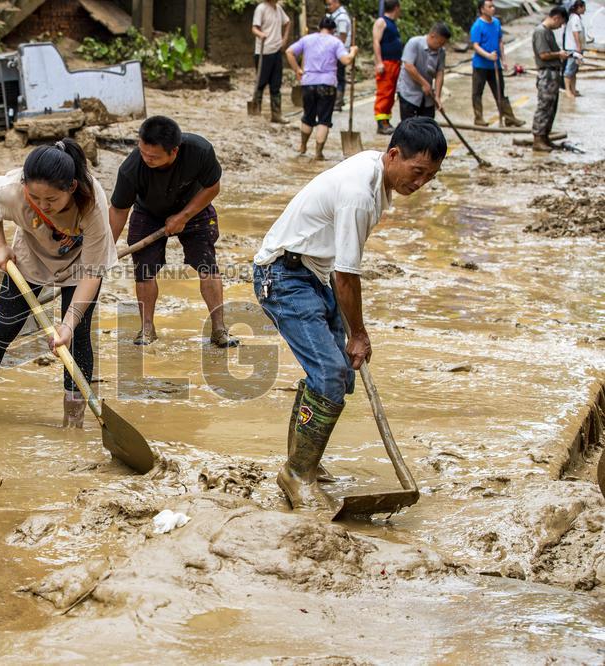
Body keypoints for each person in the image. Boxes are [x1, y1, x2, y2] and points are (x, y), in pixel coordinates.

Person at [251, 118, 446, 512]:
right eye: (418, 172)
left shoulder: (375, 177)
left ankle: (305, 461)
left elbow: (340, 267)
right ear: (393, 155)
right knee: (330, 374)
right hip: (284, 276)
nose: (421, 183)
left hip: (311, 274)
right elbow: (347, 272)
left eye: (430, 177)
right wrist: (358, 332)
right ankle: (297, 474)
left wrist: (354, 330)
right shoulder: (360, 190)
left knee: (335, 373)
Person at [0, 140, 118, 427]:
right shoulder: (11, 189)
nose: (44, 206)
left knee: (77, 338)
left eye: (52, 200)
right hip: (31, 254)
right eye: (36, 198)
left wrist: (66, 325)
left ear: (70, 188)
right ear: (24, 185)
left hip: (80, 263)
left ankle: (73, 424)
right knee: (3, 326)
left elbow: (92, 272)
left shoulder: (93, 203)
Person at [109, 116, 238, 349]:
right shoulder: (131, 168)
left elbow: (213, 186)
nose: (147, 159)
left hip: (194, 208)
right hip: (148, 212)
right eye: (143, 153)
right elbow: (119, 210)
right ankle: (147, 328)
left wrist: (183, 217)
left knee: (207, 265)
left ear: (174, 151)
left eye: (154, 157)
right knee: (144, 271)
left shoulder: (200, 151)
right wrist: (106, 249)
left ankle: (219, 329)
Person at [286, 17, 358, 160]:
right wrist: (353, 52)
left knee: (308, 116)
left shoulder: (307, 39)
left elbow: (289, 52)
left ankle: (303, 146)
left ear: (319, 27)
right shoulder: (336, 42)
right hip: (327, 84)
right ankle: (318, 153)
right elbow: (346, 60)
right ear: (333, 30)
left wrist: (297, 70)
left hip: (308, 83)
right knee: (324, 119)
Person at [469, 0, 524, 127]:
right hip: (480, 65)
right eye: (490, 6)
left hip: (495, 65)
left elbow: (500, 42)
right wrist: (487, 55)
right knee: (477, 93)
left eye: (493, 6)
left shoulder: (496, 23)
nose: (493, 8)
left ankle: (509, 117)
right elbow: (476, 46)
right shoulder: (477, 26)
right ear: (482, 9)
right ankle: (478, 118)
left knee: (500, 92)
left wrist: (503, 59)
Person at [531, 6, 570, 152]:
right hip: (546, 74)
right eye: (560, 24)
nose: (559, 27)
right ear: (556, 18)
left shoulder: (548, 32)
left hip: (553, 74)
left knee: (551, 107)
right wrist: (559, 54)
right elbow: (543, 55)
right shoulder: (541, 32)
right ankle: (538, 138)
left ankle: (545, 137)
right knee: (544, 106)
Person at [396, 22, 450, 121]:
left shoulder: (441, 52)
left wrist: (437, 96)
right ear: (433, 36)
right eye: (440, 43)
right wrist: (424, 83)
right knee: (409, 126)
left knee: (427, 124)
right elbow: (408, 66)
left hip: (427, 97)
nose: (441, 46)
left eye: (443, 44)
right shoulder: (414, 43)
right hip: (409, 93)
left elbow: (440, 73)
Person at [251, 0, 293, 123]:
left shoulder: (278, 9)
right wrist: (261, 34)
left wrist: (284, 39)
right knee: (261, 82)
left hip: (276, 51)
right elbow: (254, 28)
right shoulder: (261, 8)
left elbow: (288, 22)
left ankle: (276, 114)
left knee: (276, 84)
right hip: (263, 51)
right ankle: (256, 111)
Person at [372, 0, 403, 135]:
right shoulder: (381, 22)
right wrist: (379, 62)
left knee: (390, 94)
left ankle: (386, 120)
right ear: (396, 7)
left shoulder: (392, 23)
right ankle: (381, 123)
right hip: (386, 63)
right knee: (384, 92)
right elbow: (376, 42)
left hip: (395, 62)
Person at [326, 0, 353, 112]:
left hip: (339, 52)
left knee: (339, 76)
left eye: (330, 4)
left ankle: (338, 101)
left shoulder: (341, 17)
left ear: (337, 3)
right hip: (336, 50)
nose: (328, 7)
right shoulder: (334, 15)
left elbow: (342, 37)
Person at [562, 0, 586, 98]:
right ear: (579, 7)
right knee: (569, 70)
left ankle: (573, 89)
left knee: (574, 71)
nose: (585, 10)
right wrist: (578, 47)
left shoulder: (574, 17)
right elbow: (575, 33)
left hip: (574, 48)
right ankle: (568, 90)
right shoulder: (575, 18)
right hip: (573, 48)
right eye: (584, 7)